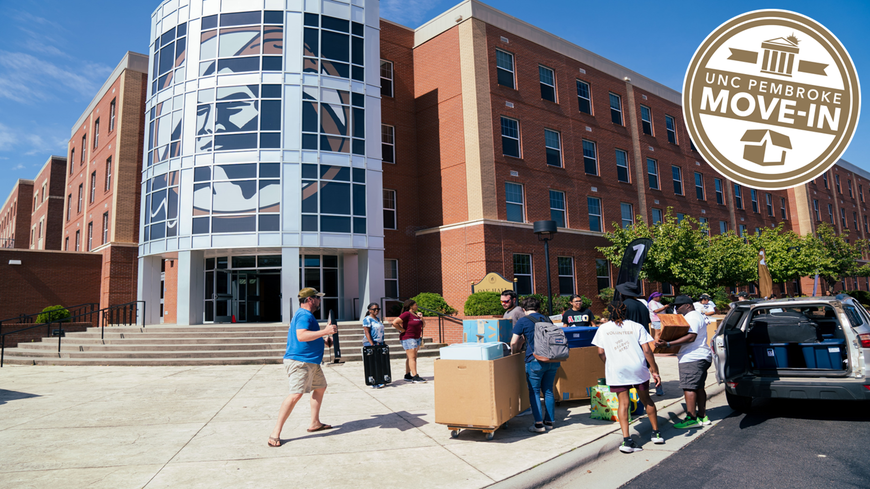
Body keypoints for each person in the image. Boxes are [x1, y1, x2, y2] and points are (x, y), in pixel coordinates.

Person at [268, 287, 338, 447]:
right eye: (317, 298)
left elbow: (308, 336)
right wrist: (325, 331)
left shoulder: (306, 316)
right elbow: (301, 336)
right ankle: (275, 433)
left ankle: (314, 423)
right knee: (295, 395)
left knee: (320, 387)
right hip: (301, 362)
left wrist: (323, 340)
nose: (320, 301)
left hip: (311, 361)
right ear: (310, 300)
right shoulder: (304, 315)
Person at [592, 300, 663, 453]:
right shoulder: (636, 326)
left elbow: (600, 352)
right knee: (646, 399)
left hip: (617, 369)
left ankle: (627, 440)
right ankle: (656, 433)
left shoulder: (603, 328)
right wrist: (655, 370)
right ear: (626, 312)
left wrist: (609, 363)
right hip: (637, 367)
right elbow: (647, 350)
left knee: (623, 404)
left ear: (609, 312)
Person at [655, 295, 714, 429]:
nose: (676, 309)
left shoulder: (692, 317)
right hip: (700, 356)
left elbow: (691, 337)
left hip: (692, 357)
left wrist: (668, 344)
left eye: (678, 306)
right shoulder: (696, 315)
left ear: (688, 305)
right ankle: (702, 416)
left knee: (689, 387)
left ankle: (691, 418)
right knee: (698, 387)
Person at [510, 296, 560, 433]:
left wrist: (514, 352)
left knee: (535, 392)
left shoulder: (523, 321)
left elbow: (514, 342)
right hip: (552, 360)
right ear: (538, 308)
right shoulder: (547, 319)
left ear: (524, 309)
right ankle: (549, 422)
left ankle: (538, 424)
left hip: (535, 361)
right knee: (548, 390)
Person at [393, 299, 426, 383]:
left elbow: (423, 325)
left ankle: (407, 375)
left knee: (410, 357)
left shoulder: (415, 315)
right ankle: (415, 376)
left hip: (416, 338)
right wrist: (402, 330)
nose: (417, 306)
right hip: (408, 338)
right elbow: (395, 322)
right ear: (411, 306)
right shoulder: (406, 314)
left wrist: (421, 317)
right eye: (416, 305)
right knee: (413, 357)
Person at [646, 291, 668, 396]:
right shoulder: (652, 303)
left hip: (660, 319)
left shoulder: (657, 302)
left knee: (659, 333)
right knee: (657, 333)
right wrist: (665, 307)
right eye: (659, 297)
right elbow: (656, 311)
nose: (660, 298)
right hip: (656, 319)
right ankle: (656, 344)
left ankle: (657, 343)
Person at [362, 302, 386, 389]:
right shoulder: (367, 319)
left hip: (379, 342)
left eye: (378, 309)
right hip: (371, 343)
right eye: (374, 309)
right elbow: (367, 332)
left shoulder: (378, 319)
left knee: (379, 362)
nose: (376, 310)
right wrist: (372, 344)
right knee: (372, 363)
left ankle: (379, 379)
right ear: (369, 310)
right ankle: (373, 381)